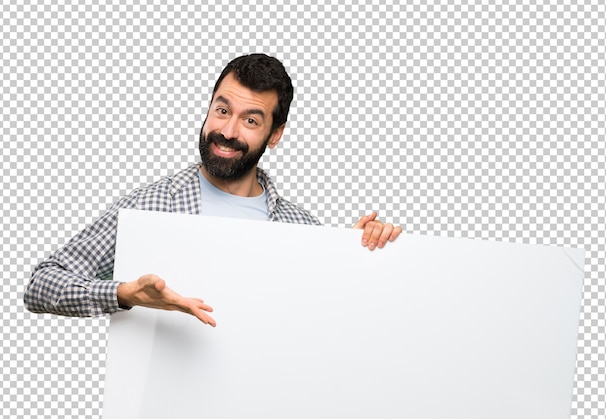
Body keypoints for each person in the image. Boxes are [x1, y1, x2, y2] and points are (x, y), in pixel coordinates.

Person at [24, 54, 402, 327]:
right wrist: (124, 294)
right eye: (222, 111)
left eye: (250, 120)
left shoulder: (302, 228)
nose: (228, 131)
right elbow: (42, 284)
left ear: (275, 135)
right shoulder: (148, 206)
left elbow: (329, 324)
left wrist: (354, 260)